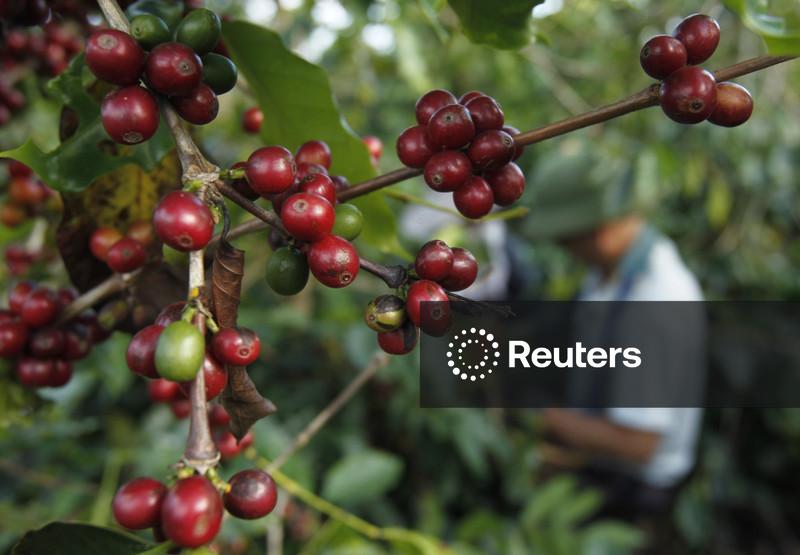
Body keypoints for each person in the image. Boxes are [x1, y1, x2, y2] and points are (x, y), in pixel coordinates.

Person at [522, 138, 705, 528]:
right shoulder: (611, 273)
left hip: (633, 491)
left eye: (567, 241)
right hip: (602, 469)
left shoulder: (655, 301)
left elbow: (639, 444)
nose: (566, 251)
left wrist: (540, 418)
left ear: (599, 230)